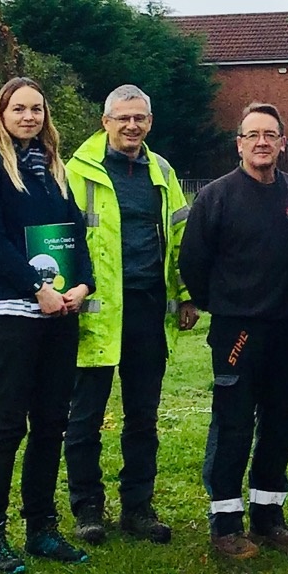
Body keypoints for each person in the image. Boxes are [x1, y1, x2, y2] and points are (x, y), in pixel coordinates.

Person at [0, 77, 95, 574]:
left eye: (36, 108)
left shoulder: (54, 171)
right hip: (9, 313)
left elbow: (76, 237)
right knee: (7, 424)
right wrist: (35, 287)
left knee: (51, 425)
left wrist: (82, 285)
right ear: (1, 113)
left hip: (59, 313)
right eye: (18, 108)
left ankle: (41, 527)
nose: (28, 116)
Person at [63, 85, 193, 545]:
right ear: (105, 122)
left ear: (150, 123)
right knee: (85, 418)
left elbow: (181, 238)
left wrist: (187, 295)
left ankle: (137, 507)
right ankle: (87, 509)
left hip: (147, 310)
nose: (131, 126)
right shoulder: (76, 171)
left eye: (139, 118)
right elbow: (61, 241)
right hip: (93, 313)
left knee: (143, 417)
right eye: (123, 118)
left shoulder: (161, 171)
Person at [179, 101, 288, 559]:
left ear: (282, 143)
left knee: (280, 422)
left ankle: (269, 514)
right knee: (233, 423)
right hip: (238, 331)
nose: (261, 143)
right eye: (252, 135)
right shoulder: (216, 197)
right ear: (239, 143)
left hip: (287, 331)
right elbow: (193, 262)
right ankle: (225, 523)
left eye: (269, 135)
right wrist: (224, 306)